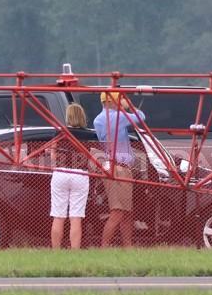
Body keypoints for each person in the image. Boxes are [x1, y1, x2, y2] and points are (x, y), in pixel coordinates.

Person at [94, 91, 143, 247]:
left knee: (126, 212)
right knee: (118, 212)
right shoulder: (118, 117)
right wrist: (128, 107)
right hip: (120, 168)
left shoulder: (99, 119)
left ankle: (127, 246)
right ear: (115, 102)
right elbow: (141, 116)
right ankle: (105, 247)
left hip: (113, 166)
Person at [47, 103, 93, 249]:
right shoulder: (87, 134)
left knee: (58, 215)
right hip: (80, 174)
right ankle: (75, 251)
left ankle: (56, 251)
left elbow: (53, 156)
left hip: (61, 173)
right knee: (76, 216)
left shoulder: (60, 132)